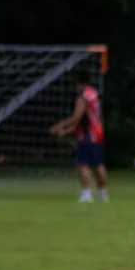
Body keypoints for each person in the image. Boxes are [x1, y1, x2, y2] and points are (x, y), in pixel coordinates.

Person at [49, 68, 108, 202]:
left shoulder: (83, 96)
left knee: (83, 163)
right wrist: (67, 131)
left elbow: (76, 117)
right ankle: (102, 193)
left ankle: (86, 194)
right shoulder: (93, 93)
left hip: (88, 133)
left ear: (79, 84)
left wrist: (59, 127)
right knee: (98, 163)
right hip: (98, 131)